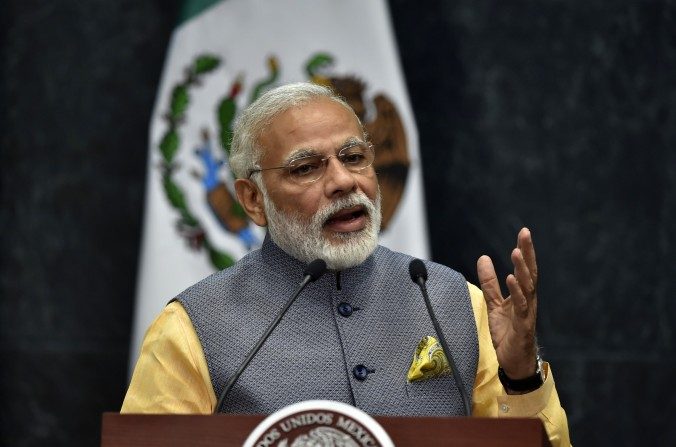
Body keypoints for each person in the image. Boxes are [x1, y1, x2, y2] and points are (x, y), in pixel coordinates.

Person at [122, 82, 570, 446]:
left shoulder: (452, 301)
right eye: (306, 168)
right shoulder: (192, 327)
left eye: (354, 158)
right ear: (254, 201)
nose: (343, 181)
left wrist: (521, 375)